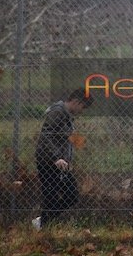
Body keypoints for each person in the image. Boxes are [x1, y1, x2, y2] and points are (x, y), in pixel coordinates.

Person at [33, 89, 93, 229]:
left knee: (70, 195)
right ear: (76, 102)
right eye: (83, 107)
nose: (82, 111)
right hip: (49, 162)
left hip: (61, 164)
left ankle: (42, 222)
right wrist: (56, 158)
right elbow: (46, 135)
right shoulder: (58, 112)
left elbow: (61, 137)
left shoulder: (67, 115)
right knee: (52, 196)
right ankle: (43, 225)